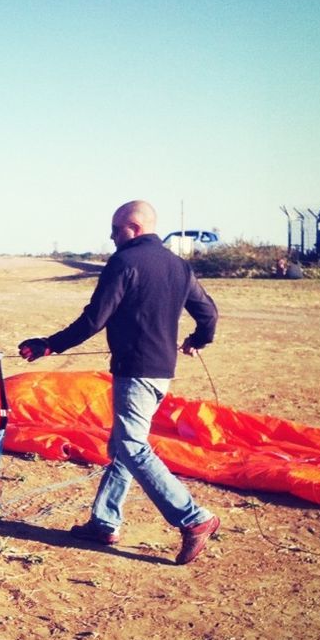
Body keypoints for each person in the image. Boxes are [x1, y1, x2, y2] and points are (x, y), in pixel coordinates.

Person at [18, 200, 220, 565]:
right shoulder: (178, 265)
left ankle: (193, 518)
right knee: (124, 445)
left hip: (136, 371)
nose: (112, 238)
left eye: (116, 230)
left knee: (130, 446)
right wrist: (199, 340)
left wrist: (49, 344)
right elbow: (208, 313)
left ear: (134, 227)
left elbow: (94, 319)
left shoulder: (124, 262)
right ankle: (104, 521)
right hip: (163, 373)